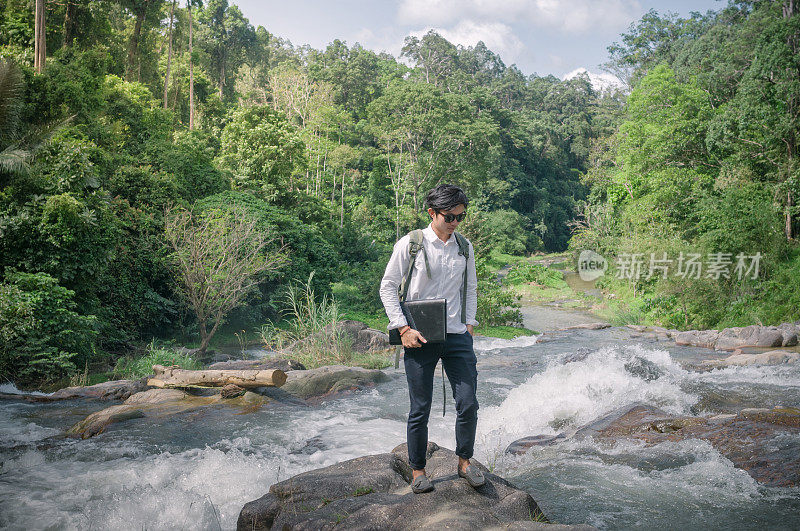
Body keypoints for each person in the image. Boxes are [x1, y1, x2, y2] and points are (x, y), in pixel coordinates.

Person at [379, 183, 484, 494]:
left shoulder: (464, 247)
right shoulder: (411, 244)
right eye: (449, 217)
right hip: (419, 337)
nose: (454, 223)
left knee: (468, 404)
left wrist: (469, 322)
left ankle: (465, 462)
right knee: (420, 407)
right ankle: (418, 470)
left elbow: (472, 288)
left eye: (459, 217)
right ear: (432, 213)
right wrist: (403, 328)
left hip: (457, 336)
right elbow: (388, 287)